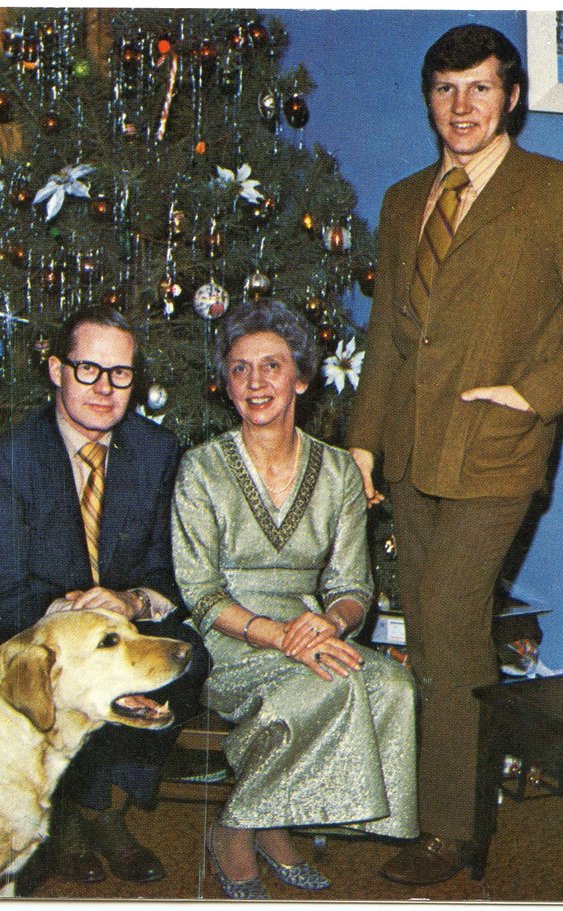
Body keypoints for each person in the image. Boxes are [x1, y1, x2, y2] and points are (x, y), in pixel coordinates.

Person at [345, 24, 563, 886]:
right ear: (428, 99)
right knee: (435, 630)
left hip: (497, 449)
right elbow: (388, 336)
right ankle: (449, 794)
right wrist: (362, 441)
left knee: (447, 621)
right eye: (445, 89)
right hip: (412, 449)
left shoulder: (562, 191)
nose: (461, 107)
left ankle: (453, 828)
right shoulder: (406, 198)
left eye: (479, 88)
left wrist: (535, 392)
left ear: (511, 96)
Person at [0, 306, 209, 887]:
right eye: (88, 369)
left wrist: (131, 602)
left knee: (187, 656)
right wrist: (68, 615)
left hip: (121, 624)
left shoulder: (157, 452)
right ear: (56, 370)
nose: (103, 388)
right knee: (69, 667)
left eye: (120, 374)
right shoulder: (7, 460)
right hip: (32, 629)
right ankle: (66, 814)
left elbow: (175, 570)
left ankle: (105, 813)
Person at [172, 300, 418, 900]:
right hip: (231, 637)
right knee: (325, 688)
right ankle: (234, 828)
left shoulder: (338, 472)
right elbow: (200, 594)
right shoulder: (200, 469)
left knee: (393, 686)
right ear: (226, 383)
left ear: (301, 378)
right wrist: (279, 635)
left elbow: (354, 588)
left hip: (311, 629)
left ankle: (265, 819)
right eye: (240, 368)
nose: (255, 382)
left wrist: (329, 623)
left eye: (272, 366)